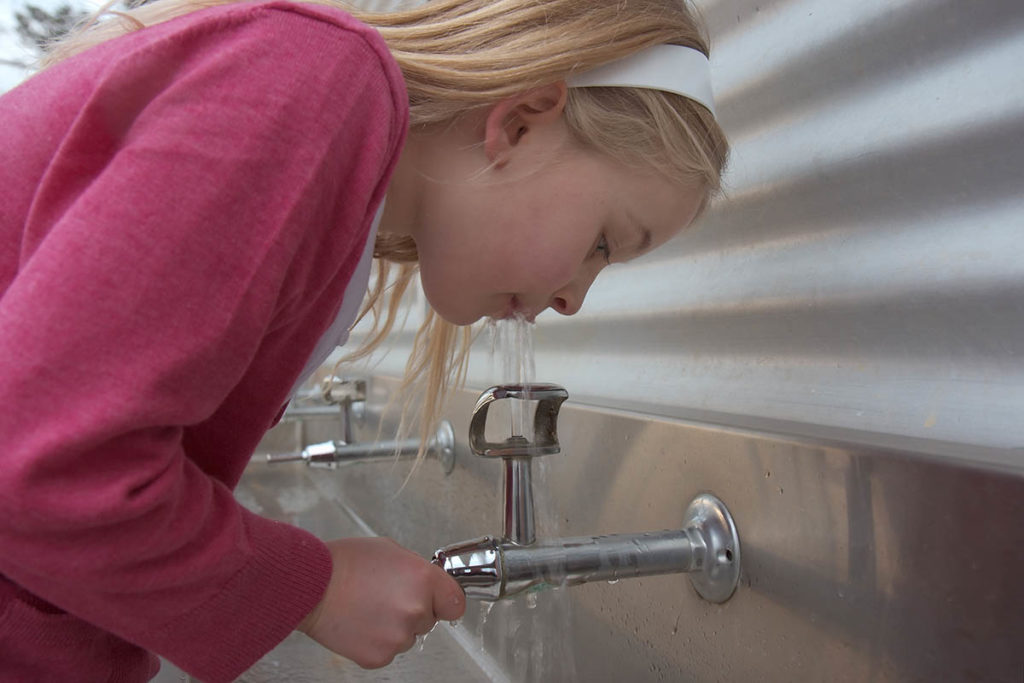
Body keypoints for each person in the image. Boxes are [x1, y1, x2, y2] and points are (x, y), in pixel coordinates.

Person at [0, 0, 729, 679]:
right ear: (521, 123)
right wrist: (311, 587)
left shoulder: (339, 197)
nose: (574, 299)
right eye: (604, 241)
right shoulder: (307, 85)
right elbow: (44, 462)